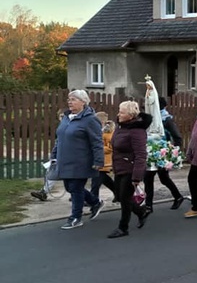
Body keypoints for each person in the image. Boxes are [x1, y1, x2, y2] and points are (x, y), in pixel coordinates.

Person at [52, 89, 104, 230]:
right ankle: (95, 202)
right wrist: (54, 155)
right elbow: (59, 138)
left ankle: (76, 217)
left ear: (83, 102)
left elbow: (97, 142)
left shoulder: (90, 120)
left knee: (75, 188)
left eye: (74, 99)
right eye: (69, 99)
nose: (70, 102)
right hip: (65, 160)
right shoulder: (66, 118)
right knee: (70, 187)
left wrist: (99, 161)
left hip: (81, 161)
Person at [107, 100, 150, 238]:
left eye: (122, 112)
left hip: (130, 169)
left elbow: (141, 155)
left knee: (125, 199)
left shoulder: (137, 131)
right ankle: (141, 211)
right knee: (119, 196)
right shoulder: (121, 127)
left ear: (130, 115)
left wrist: (137, 177)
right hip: (119, 167)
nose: (118, 114)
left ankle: (123, 227)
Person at [143, 82, 185, 213]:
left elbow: (177, 136)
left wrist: (173, 154)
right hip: (150, 151)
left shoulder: (166, 119)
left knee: (163, 178)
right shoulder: (149, 118)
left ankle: (178, 196)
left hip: (161, 152)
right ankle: (149, 205)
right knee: (148, 178)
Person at [90, 111, 117, 202]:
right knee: (104, 180)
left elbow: (110, 148)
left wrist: (98, 147)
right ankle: (118, 193)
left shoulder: (109, 133)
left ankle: (93, 199)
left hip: (105, 161)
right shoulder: (99, 132)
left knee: (96, 181)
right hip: (99, 160)